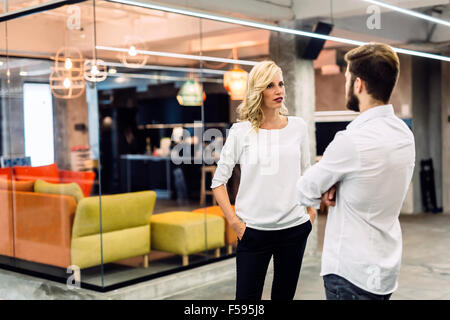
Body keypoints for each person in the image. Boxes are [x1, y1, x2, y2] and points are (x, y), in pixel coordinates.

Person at [296, 43, 416, 300]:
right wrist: (339, 183)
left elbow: (305, 190)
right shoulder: (405, 136)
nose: (346, 84)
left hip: (350, 274)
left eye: (347, 78)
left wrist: (328, 186)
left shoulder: (350, 140)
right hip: (384, 271)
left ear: (358, 84)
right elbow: (373, 180)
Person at [211, 60, 315, 300]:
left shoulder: (298, 127)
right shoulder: (241, 131)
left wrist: (311, 214)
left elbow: (307, 173)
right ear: (258, 91)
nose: (279, 90)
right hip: (253, 232)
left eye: (281, 84)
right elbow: (218, 182)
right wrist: (235, 223)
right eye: (270, 85)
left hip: (294, 229)